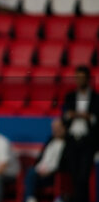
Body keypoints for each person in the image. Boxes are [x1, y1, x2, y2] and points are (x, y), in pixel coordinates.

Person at [62, 65, 99, 202]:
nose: (79, 80)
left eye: (82, 78)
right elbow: (64, 117)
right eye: (77, 78)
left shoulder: (95, 98)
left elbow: (96, 119)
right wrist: (70, 116)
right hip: (72, 140)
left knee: (84, 176)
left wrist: (88, 117)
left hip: (87, 141)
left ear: (88, 79)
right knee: (74, 175)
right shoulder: (70, 96)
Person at [24, 119, 69, 202]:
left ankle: (30, 198)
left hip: (53, 175)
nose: (55, 130)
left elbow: (64, 164)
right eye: (53, 128)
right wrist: (39, 169)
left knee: (31, 174)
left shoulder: (69, 144)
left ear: (64, 128)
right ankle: (30, 198)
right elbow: (41, 159)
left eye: (58, 128)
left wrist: (50, 171)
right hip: (39, 173)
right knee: (31, 171)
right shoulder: (50, 141)